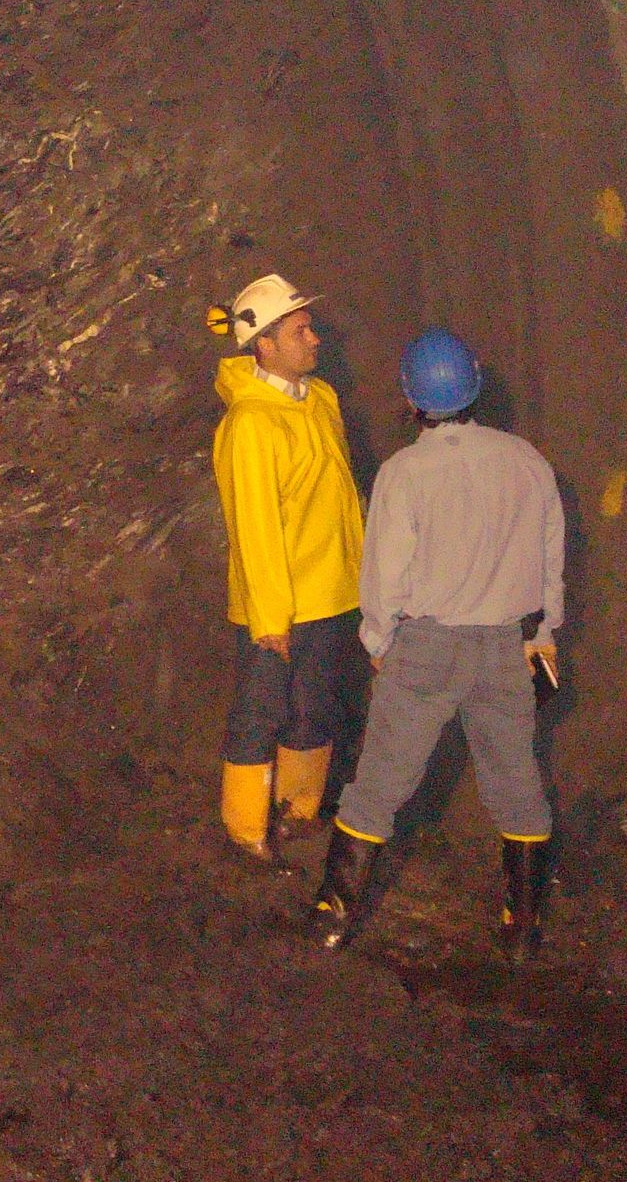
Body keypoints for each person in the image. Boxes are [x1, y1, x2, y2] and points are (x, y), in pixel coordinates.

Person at [310, 327, 563, 962]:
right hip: (506, 648)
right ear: (476, 385)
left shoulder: (405, 473)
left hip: (426, 646)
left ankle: (333, 920)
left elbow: (385, 575)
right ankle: (522, 930)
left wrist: (378, 639)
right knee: (516, 782)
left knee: (379, 782)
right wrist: (544, 635)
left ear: (412, 400)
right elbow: (548, 562)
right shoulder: (528, 462)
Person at [206, 273, 364, 862]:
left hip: (329, 591)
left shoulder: (321, 400)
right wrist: (269, 619)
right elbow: (255, 528)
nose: (315, 337)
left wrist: (362, 577)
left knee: (314, 706)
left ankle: (298, 813)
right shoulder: (250, 424)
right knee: (262, 710)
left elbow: (343, 499)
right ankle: (246, 829)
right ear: (264, 346)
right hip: (278, 606)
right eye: (300, 329)